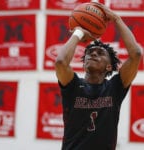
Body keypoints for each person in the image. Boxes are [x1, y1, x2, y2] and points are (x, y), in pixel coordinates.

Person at [55, 2, 142, 150]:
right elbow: (61, 62)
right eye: (89, 53)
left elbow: (136, 55)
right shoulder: (73, 86)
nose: (93, 53)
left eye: (100, 53)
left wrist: (116, 19)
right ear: (84, 64)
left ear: (109, 66)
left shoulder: (114, 88)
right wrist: (78, 32)